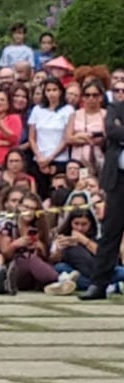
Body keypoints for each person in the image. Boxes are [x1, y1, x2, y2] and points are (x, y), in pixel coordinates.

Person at [80, 100, 124, 300]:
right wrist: (117, 132)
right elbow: (112, 132)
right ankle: (98, 284)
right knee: (110, 233)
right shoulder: (116, 108)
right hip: (118, 180)